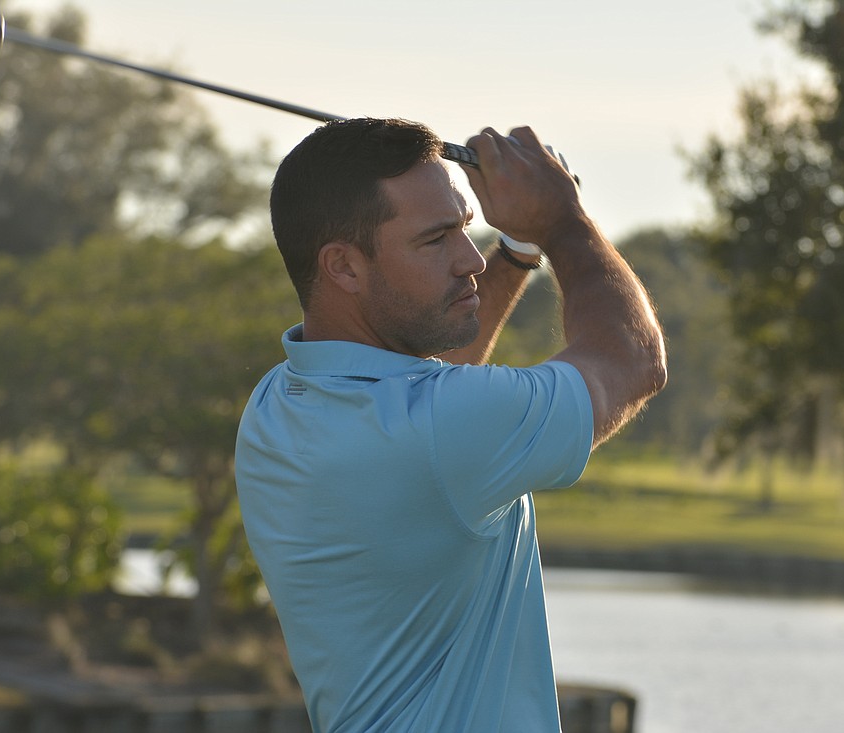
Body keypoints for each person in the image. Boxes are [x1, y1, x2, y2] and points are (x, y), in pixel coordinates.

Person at [235, 117, 666, 732]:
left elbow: (431, 383)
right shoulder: (435, 429)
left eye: (467, 228)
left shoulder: (278, 403)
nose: (468, 258)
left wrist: (517, 250)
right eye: (435, 239)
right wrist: (562, 221)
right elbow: (631, 362)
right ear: (345, 267)